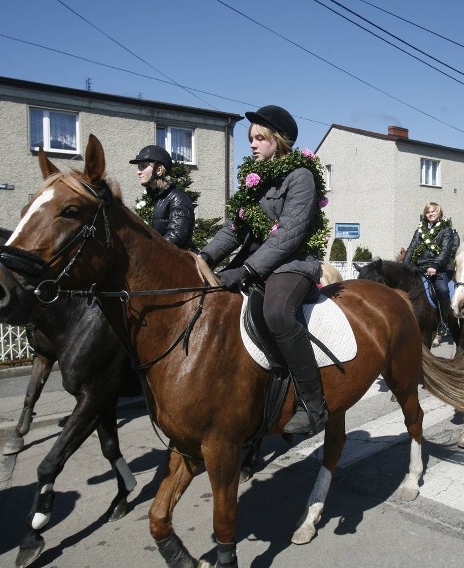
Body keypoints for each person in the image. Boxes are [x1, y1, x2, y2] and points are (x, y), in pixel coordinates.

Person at [199, 105, 329, 435]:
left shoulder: (301, 177)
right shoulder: (251, 180)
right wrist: (202, 258)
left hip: (293, 263)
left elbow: (289, 234)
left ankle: (312, 404)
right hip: (256, 263)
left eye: (260, 138)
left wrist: (246, 271)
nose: (252, 144)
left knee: (277, 313)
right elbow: (233, 229)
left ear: (279, 141)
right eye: (250, 139)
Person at [403, 202, 457, 337]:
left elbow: (445, 251)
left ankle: (443, 322)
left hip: (437, 269)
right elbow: (411, 248)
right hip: (418, 267)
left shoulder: (446, 230)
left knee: (443, 290)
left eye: (433, 211)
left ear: (439, 213)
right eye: (428, 212)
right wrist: (404, 266)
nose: (430, 214)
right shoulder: (420, 230)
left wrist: (435, 266)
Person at [129, 145, 194, 249]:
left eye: (143, 166)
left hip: (174, 263)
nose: (138, 172)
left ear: (158, 170)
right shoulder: (154, 198)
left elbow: (176, 237)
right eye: (138, 167)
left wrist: (147, 249)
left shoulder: (178, 199)